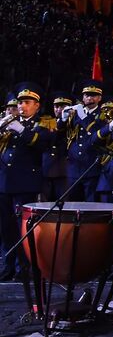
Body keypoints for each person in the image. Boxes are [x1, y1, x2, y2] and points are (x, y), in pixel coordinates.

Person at [0, 84, 56, 281]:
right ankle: (8, 265)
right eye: (20, 102)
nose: (21, 106)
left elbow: (41, 144)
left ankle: (24, 267)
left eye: (26, 102)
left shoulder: (44, 124)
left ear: (36, 105)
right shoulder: (9, 122)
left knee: (23, 228)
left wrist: (20, 129)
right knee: (5, 228)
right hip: (4, 181)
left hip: (25, 183)